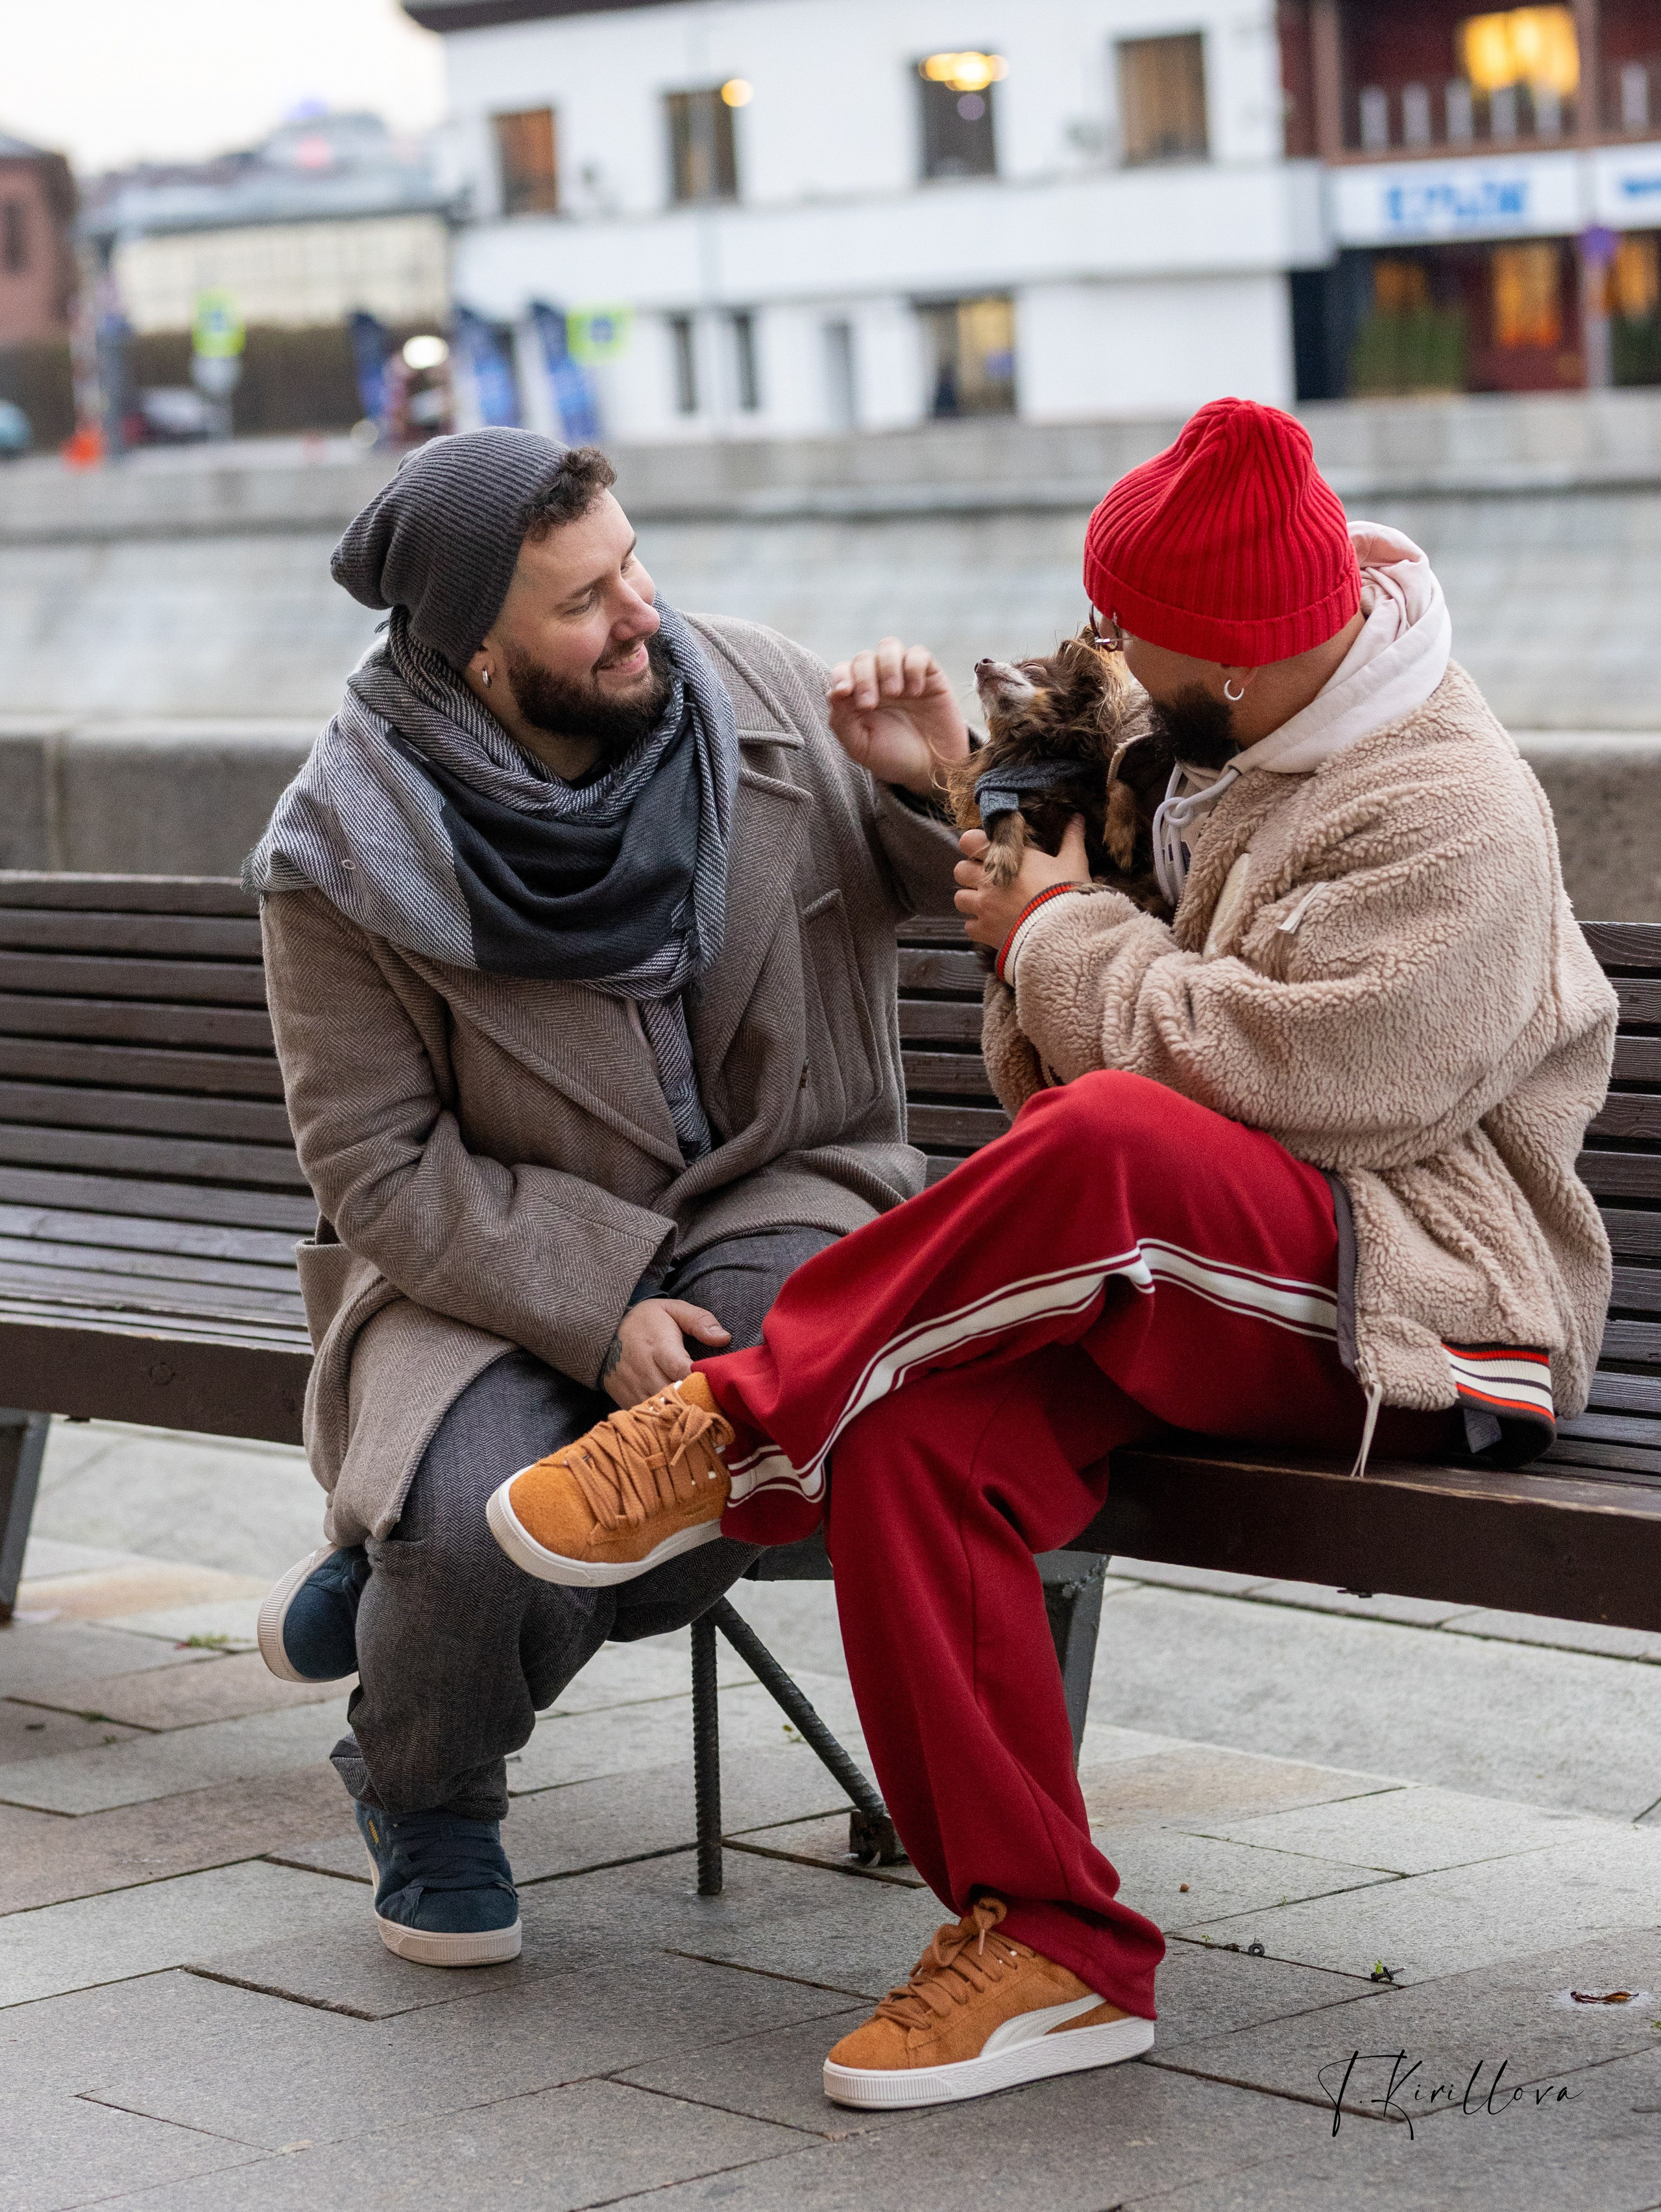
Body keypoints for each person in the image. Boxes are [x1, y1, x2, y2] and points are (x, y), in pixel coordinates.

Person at [487, 398, 1619, 2110]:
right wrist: (962, 789)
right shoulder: (1198, 731)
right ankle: (1046, 1944)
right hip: (1212, 1275)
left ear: (1232, 657)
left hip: (1430, 1310)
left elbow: (1307, 1084)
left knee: (1095, 1151)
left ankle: (748, 1413)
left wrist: (1057, 933)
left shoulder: (1450, 812)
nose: (1101, 650)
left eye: (1128, 630)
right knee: (915, 1436)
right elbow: (1086, 1001)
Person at [247, 429, 968, 1967]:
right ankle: (427, 1787)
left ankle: (388, 1608)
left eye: (632, 561)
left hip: (791, 1185)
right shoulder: (340, 851)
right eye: (583, 603)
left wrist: (929, 784)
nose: (640, 609)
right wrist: (599, 1308)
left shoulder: (757, 689)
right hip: (506, 1249)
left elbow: (956, 888)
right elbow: (375, 1164)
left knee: (757, 1392)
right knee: (472, 1524)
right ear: (481, 657)